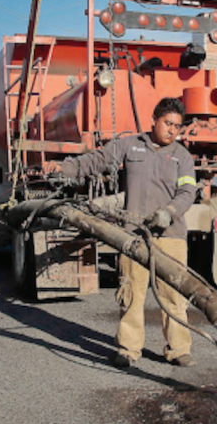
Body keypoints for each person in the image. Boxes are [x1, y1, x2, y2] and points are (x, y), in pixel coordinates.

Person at [42, 97, 197, 368]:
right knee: (131, 294)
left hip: (170, 236)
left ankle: (179, 349)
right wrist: (64, 167)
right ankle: (128, 349)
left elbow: (187, 192)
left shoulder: (182, 157)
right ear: (154, 120)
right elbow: (96, 161)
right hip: (133, 235)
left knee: (174, 296)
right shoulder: (130, 145)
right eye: (167, 123)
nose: (172, 130)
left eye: (177, 126)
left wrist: (169, 212)